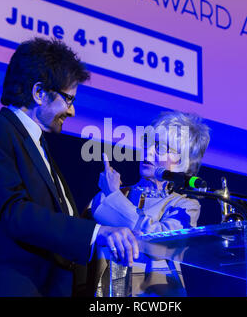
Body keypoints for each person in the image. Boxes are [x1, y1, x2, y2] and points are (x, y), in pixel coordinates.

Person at [0, 37, 138, 297]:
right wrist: (96, 232)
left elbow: (59, 221)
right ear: (39, 93)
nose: (71, 112)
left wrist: (105, 202)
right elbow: (13, 212)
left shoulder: (39, 144)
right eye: (68, 100)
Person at [84, 111, 211, 297]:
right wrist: (112, 195)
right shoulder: (115, 195)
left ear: (182, 161)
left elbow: (160, 243)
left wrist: (114, 197)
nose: (148, 151)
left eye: (160, 147)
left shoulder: (184, 206)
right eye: (147, 142)